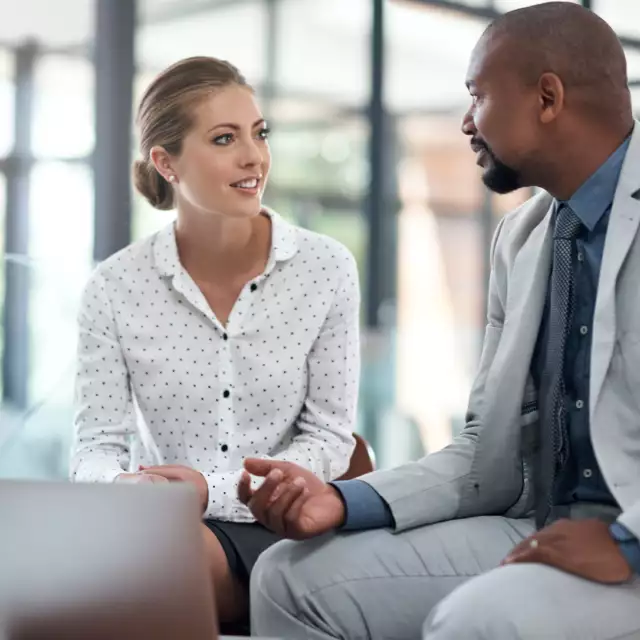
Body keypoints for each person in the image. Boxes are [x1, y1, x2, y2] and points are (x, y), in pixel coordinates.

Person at [239, 4, 640, 638]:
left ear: (547, 97)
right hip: (544, 527)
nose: (465, 122)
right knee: (288, 577)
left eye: (477, 96)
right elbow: (485, 455)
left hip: (631, 547)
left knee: (479, 620)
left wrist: (626, 543)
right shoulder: (523, 237)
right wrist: (341, 499)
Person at [69, 56, 360, 628]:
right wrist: (125, 486)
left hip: (292, 529)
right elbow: (94, 448)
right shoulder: (114, 287)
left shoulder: (325, 269)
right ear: (166, 163)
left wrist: (212, 491)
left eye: (259, 133)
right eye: (225, 138)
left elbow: (329, 439)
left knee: (148, 570)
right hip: (164, 532)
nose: (253, 156)